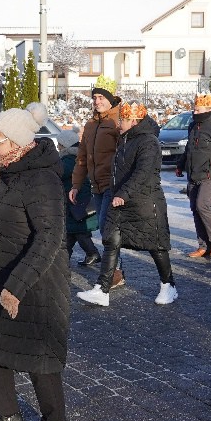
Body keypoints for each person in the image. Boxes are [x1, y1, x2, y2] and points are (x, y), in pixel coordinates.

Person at [0, 109, 71, 421]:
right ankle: (8, 417)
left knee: (39, 355)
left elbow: (50, 236)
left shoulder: (41, 180)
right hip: (5, 273)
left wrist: (17, 285)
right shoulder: (12, 173)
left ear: (16, 143)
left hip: (37, 280)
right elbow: (7, 209)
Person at [77, 102, 176, 307]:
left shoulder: (149, 142)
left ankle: (168, 285)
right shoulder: (125, 139)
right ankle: (102, 290)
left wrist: (124, 193)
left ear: (133, 121)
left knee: (155, 246)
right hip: (120, 200)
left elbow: (144, 172)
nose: (118, 123)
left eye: (121, 120)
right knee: (110, 241)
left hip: (146, 203)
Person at [70, 76, 124, 286]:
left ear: (111, 99)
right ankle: (116, 271)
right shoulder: (91, 124)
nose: (97, 101)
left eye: (101, 97)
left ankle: (114, 273)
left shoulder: (118, 121)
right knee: (106, 230)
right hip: (97, 185)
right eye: (94, 97)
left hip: (113, 184)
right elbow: (82, 157)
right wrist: (76, 184)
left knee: (107, 229)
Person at [177, 93, 211, 260]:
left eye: (198, 109)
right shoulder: (193, 126)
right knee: (195, 209)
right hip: (193, 174)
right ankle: (203, 245)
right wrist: (180, 165)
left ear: (209, 109)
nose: (195, 112)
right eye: (194, 108)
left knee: (203, 206)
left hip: (210, 175)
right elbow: (189, 149)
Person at [58, 128, 100, 266]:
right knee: (74, 232)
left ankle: (92, 253)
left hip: (76, 202)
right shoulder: (79, 156)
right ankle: (65, 260)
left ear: (65, 145)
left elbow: (59, 173)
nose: (58, 147)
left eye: (59, 144)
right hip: (78, 201)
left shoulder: (69, 160)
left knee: (78, 231)